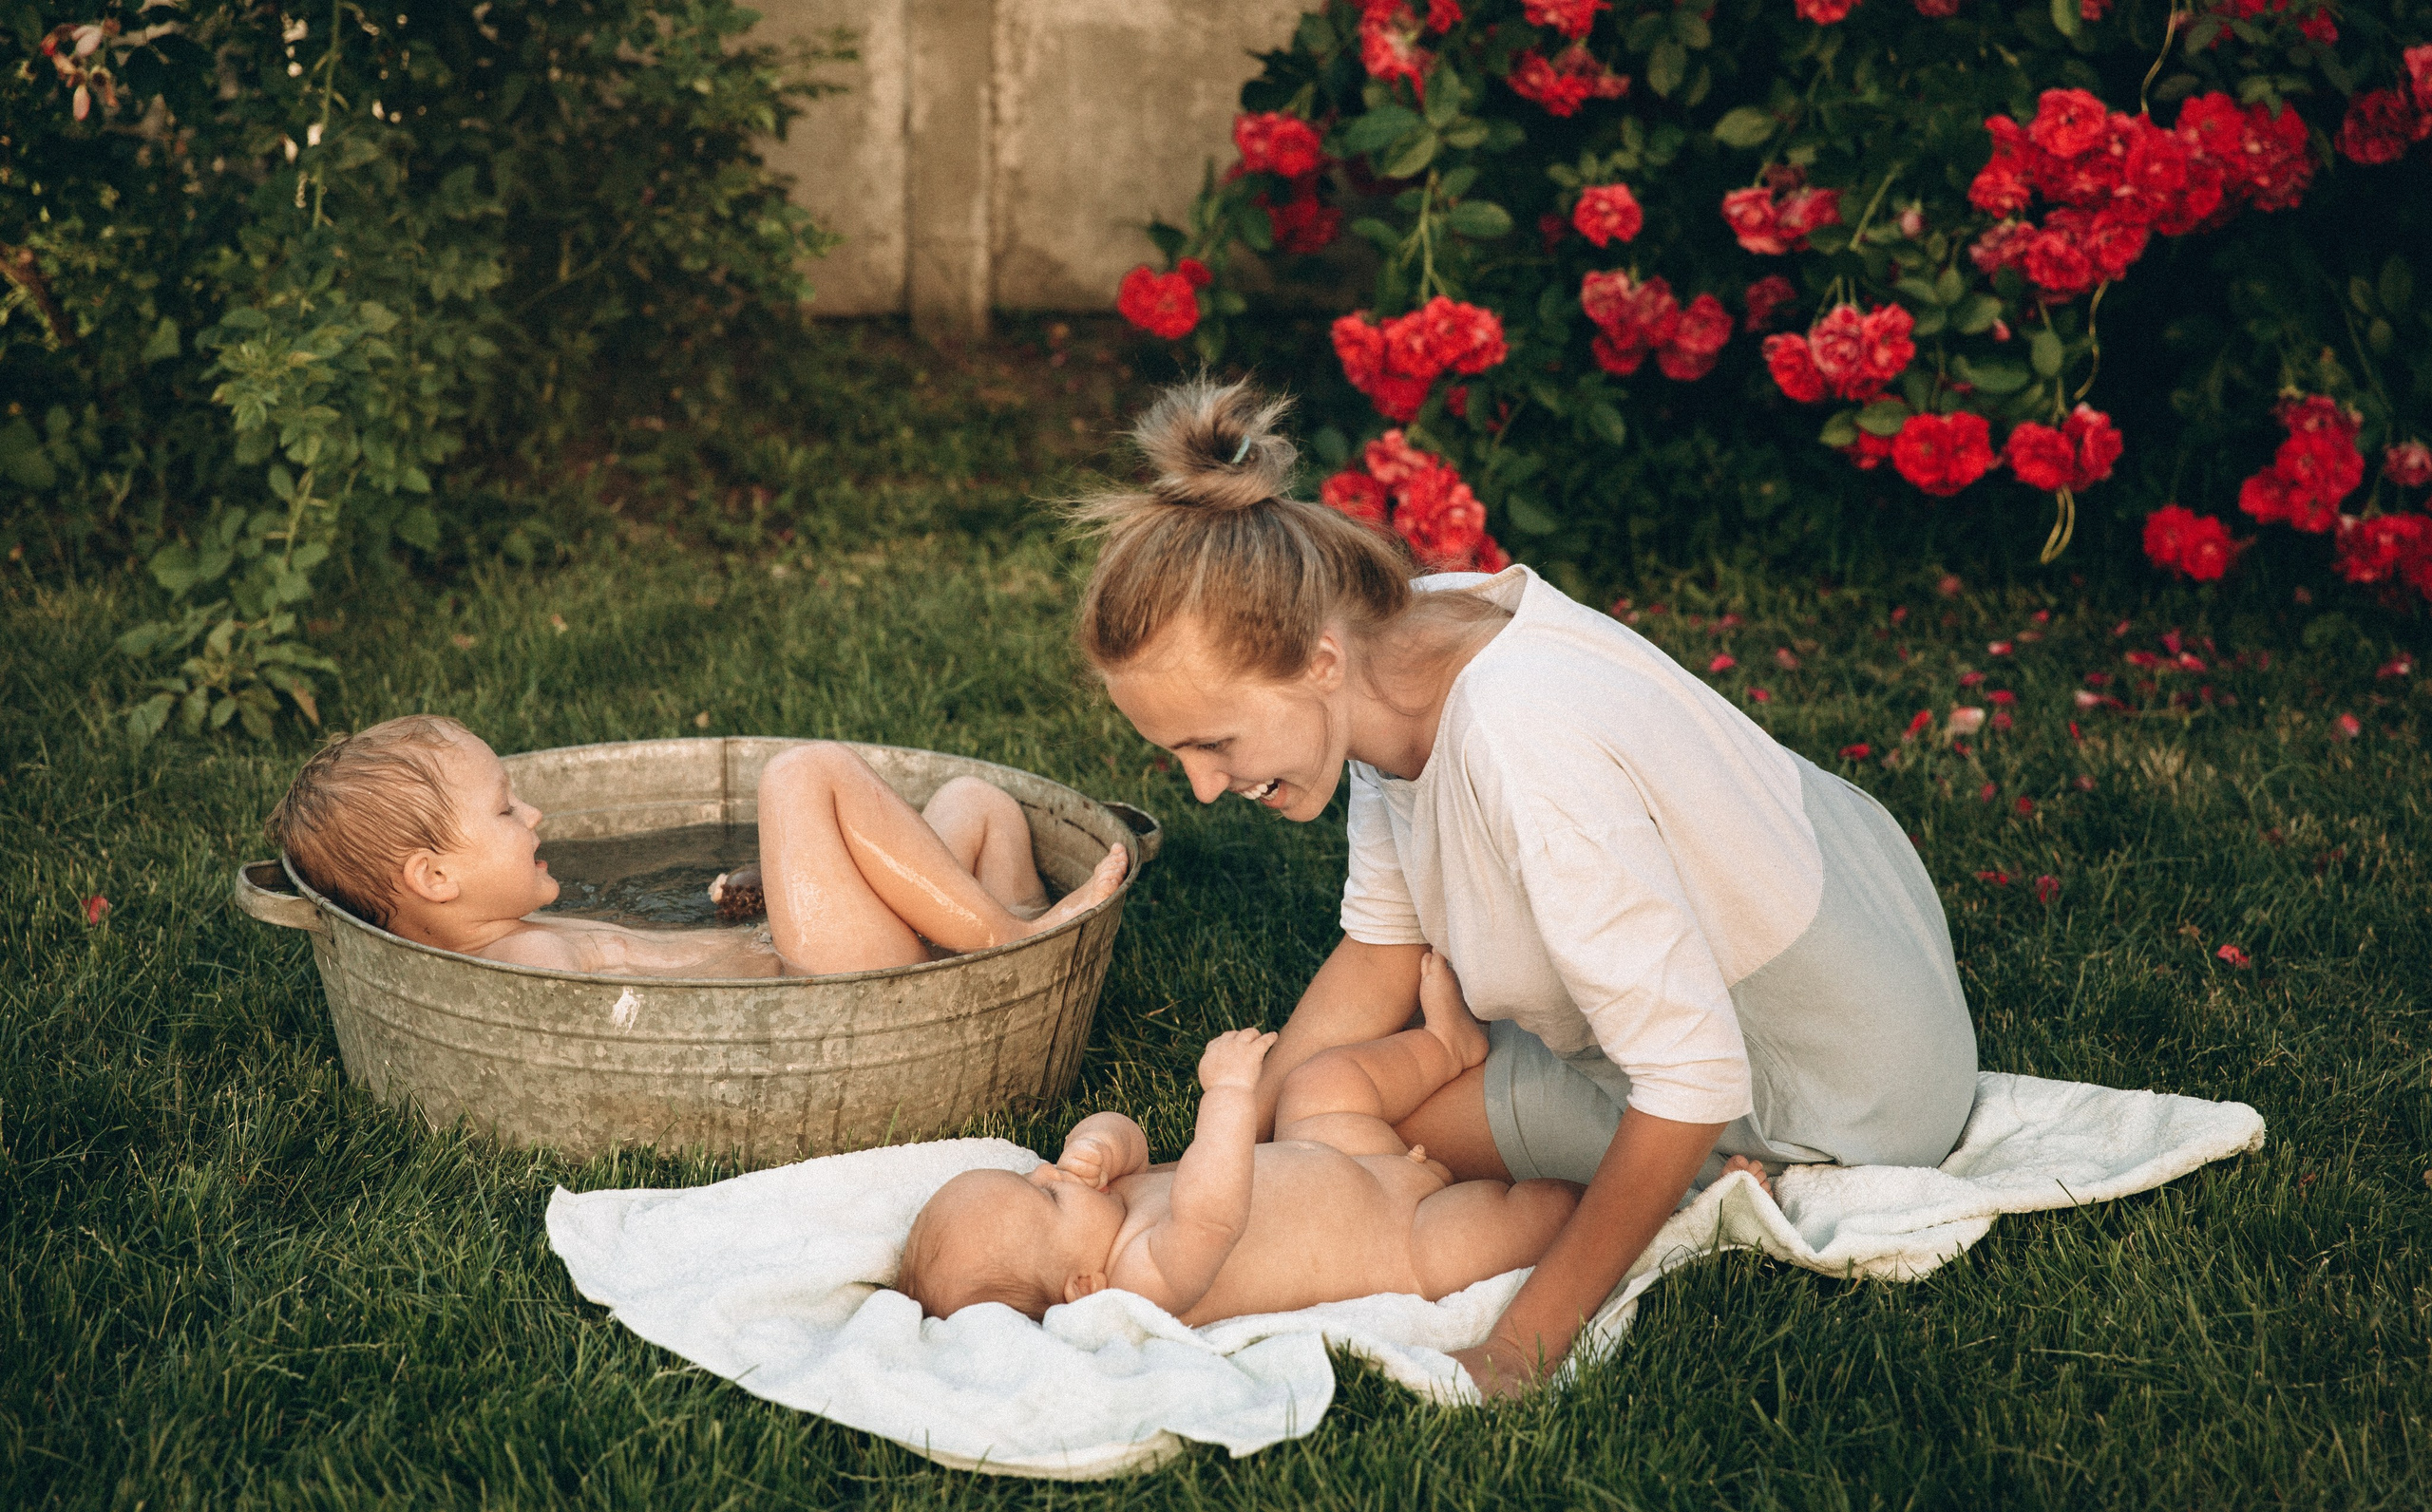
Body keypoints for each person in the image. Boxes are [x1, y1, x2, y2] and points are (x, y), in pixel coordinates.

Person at [1069, 378, 1980, 1395]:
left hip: (1843, 1078)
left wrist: (1523, 1345)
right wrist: (1211, 1155)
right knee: (1323, 1124)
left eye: (1214, 743)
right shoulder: (1395, 641)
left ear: (1317, 660)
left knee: (1368, 1157)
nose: (1202, 787)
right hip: (1857, 949)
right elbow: (1382, 950)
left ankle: (1730, 1178)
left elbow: (1690, 1077)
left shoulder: (1520, 744)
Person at [897, 954, 1686, 1325]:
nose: (1047, 1171)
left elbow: (1131, 1142)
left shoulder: (1105, 1196)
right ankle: (1667, 1205)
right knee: (1535, 1216)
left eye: (1030, 1174)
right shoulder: (1142, 1278)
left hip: (1340, 1151)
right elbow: (1212, 1214)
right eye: (1044, 1198)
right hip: (1403, 1241)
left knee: (1320, 1084)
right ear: (1081, 1287)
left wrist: (1099, 1139)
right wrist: (1228, 1098)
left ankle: (1448, 1046)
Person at [264, 715, 1126, 976]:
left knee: (978, 803)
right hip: (821, 987)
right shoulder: (520, 966)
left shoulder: (519, 932)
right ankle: (1014, 940)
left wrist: (784, 890)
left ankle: (1024, 949)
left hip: (803, 950)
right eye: (504, 810)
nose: (534, 814)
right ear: (434, 876)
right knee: (803, 772)